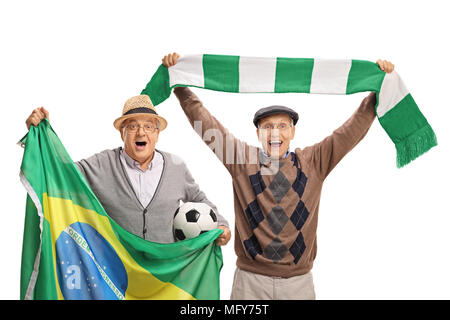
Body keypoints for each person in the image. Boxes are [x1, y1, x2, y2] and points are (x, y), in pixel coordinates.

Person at [163, 52, 394, 299]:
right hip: (249, 283)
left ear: (292, 131)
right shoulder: (242, 160)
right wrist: (180, 84)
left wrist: (377, 89)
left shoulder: (314, 162)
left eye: (282, 126)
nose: (275, 133)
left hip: (299, 284)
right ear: (258, 133)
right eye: (267, 127)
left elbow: (352, 129)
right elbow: (204, 122)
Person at [25, 94, 232, 245]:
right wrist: (41, 137)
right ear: (122, 133)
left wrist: (221, 225)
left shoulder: (176, 167)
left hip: (164, 276)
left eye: (149, 126)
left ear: (157, 134)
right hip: (116, 276)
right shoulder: (101, 164)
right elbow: (61, 174)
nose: (141, 132)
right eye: (132, 126)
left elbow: (199, 199)